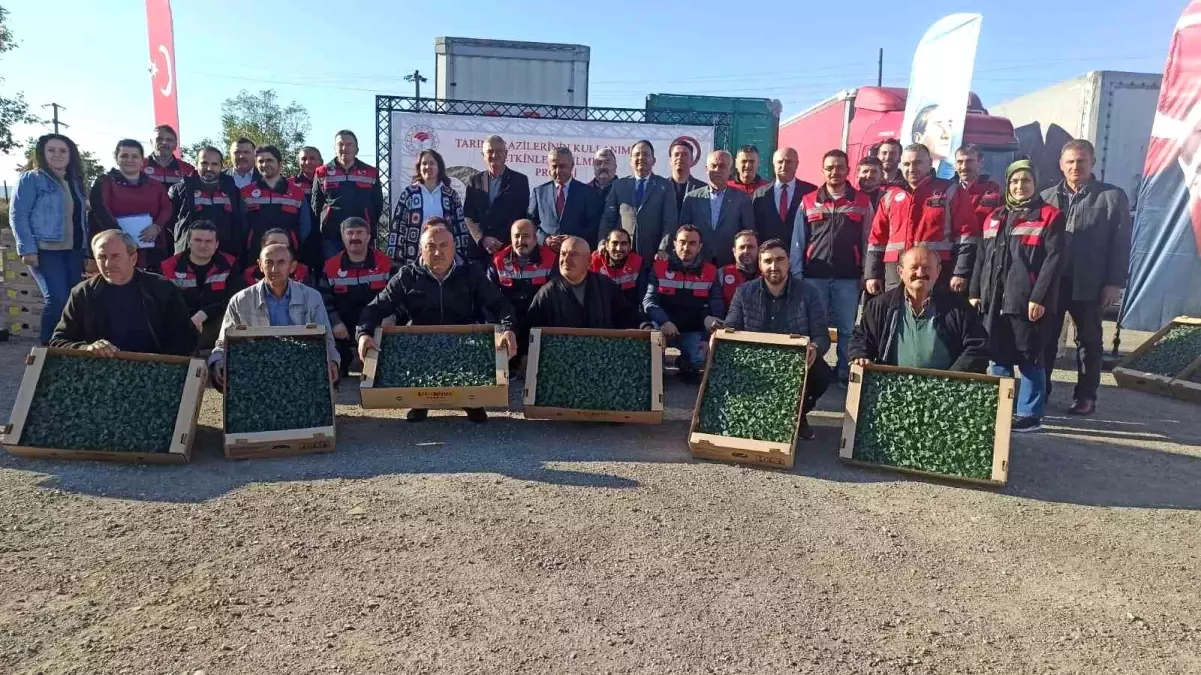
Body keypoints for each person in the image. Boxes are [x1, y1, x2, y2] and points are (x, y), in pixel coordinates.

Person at [356, 224, 518, 424]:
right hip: (420, 341)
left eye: (444, 245)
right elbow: (375, 307)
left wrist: (508, 329)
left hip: (465, 339)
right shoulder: (407, 276)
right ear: (421, 249)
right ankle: (419, 400)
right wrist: (364, 334)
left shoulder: (471, 274)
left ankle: (472, 400)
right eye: (431, 246)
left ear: (454, 247)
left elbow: (500, 304)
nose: (438, 252)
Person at [970, 160, 1066, 433]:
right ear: (1007, 184)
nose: (1020, 186)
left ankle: (1029, 414)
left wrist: (1039, 297)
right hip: (993, 300)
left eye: (1026, 181)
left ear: (1035, 183)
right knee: (997, 355)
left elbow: (1053, 262)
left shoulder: (1050, 216)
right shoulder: (995, 216)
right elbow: (981, 258)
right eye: (1014, 181)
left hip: (1026, 301)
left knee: (1029, 355)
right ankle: (1002, 409)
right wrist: (975, 292)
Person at [1039, 139, 1133, 416]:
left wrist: (1114, 283)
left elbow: (1121, 244)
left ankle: (1085, 396)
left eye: (1081, 161)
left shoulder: (1112, 197)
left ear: (1092, 163)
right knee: (1045, 339)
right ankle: (1039, 393)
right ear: (1061, 165)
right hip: (1053, 283)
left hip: (1090, 283)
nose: (1075, 166)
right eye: (1070, 161)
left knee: (1089, 342)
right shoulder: (1045, 197)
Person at [723, 238, 831, 439]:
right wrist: (720, 336)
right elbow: (731, 325)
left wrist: (815, 348)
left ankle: (799, 414)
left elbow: (821, 335)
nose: (774, 266)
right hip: (754, 360)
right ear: (760, 265)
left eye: (780, 260)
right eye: (768, 261)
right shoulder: (744, 292)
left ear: (789, 262)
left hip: (796, 361)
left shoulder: (809, 293)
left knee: (822, 373)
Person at [209, 242, 339, 391]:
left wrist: (333, 361)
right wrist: (218, 361)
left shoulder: (312, 297)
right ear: (260, 265)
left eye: (281, 262)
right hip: (258, 368)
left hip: (300, 365)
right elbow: (223, 343)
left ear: (292, 266)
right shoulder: (240, 301)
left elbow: (327, 339)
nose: (274, 269)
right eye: (268, 262)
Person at [51, 230, 197, 357]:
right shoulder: (83, 293)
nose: (108, 264)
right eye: (102, 257)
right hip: (98, 369)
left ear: (133, 258)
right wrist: (87, 348)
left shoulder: (162, 289)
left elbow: (186, 339)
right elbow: (58, 341)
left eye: (115, 256)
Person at [849, 246, 989, 373]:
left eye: (926, 267)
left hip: (947, 390)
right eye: (914, 267)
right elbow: (861, 337)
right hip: (891, 386)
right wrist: (859, 356)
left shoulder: (959, 307)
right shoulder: (880, 306)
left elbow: (977, 345)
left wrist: (951, 378)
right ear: (900, 272)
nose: (920, 273)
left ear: (938, 271)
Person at [799, 149, 874, 382]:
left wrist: (866, 272)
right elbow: (798, 240)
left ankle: (843, 373)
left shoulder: (862, 201)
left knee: (847, 329)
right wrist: (796, 272)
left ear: (848, 170)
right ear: (823, 171)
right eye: (830, 167)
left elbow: (869, 240)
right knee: (814, 327)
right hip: (814, 276)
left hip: (848, 277)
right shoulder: (809, 200)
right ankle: (814, 372)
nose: (835, 172)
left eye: (840, 167)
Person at [865, 143, 977, 295]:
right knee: (897, 315)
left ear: (930, 163)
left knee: (934, 315)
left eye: (917, 163)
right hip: (896, 270)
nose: (911, 169)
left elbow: (966, 235)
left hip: (936, 269)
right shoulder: (890, 196)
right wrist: (872, 274)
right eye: (906, 164)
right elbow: (877, 240)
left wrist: (961, 272)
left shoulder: (950, 191)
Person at [11, 134, 89, 345]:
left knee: (74, 300)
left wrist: (87, 251)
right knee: (56, 300)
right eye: (51, 150)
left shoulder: (74, 182)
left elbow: (81, 218)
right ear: (42, 153)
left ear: (71, 155)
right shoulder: (32, 178)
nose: (57, 154)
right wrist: (27, 249)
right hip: (45, 249)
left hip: (74, 250)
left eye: (63, 150)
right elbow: (18, 215)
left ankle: (69, 346)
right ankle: (46, 349)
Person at [643, 224, 723, 383]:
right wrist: (664, 321)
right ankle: (659, 363)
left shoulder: (710, 271)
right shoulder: (659, 267)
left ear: (700, 247)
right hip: (665, 327)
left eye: (692, 243)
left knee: (700, 359)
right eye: (682, 242)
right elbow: (649, 301)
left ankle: (685, 362)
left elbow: (717, 305)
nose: (686, 247)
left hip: (693, 330)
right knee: (649, 350)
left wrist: (708, 337)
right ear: (674, 244)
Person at [319, 217, 395, 377]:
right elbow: (324, 301)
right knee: (336, 370)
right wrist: (335, 323)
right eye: (350, 233)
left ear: (368, 236)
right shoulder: (331, 267)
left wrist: (390, 317)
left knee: (383, 372)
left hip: (377, 330)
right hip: (343, 332)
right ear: (342, 237)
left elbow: (397, 297)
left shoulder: (386, 264)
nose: (354, 237)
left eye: (359, 232)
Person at [88, 138, 174, 272]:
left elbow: (167, 207)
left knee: (152, 286)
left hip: (152, 247)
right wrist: (120, 236)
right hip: (117, 248)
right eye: (124, 155)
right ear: (116, 158)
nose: (129, 160)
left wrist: (157, 226)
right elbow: (101, 210)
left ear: (141, 160)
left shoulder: (155, 185)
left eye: (135, 156)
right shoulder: (105, 183)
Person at [527, 236, 642, 330]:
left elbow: (627, 314)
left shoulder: (605, 286)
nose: (565, 260)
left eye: (573, 254)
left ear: (588, 261)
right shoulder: (548, 292)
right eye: (563, 254)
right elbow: (530, 328)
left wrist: (644, 326)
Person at [487, 219, 556, 371]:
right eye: (516, 236)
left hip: (538, 321)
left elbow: (553, 300)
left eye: (525, 236)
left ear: (535, 238)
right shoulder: (498, 260)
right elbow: (488, 297)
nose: (520, 241)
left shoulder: (550, 259)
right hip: (508, 320)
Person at [160, 221, 241, 351]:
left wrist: (204, 313)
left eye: (209, 241)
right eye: (198, 240)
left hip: (217, 321)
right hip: (181, 322)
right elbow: (165, 302)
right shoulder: (169, 266)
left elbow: (233, 300)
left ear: (217, 244)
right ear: (189, 242)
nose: (203, 245)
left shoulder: (230, 264)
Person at [599, 140, 678, 267]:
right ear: (630, 161)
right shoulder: (619, 185)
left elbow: (670, 221)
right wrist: (603, 242)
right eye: (637, 155)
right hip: (622, 254)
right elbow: (608, 218)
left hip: (652, 255)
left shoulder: (665, 186)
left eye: (646, 154)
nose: (641, 158)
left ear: (653, 160)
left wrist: (663, 248)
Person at [387, 149, 470, 264]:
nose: (428, 167)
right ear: (419, 167)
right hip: (414, 256)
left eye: (432, 163)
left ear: (439, 167)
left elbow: (460, 228)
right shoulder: (409, 193)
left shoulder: (450, 195)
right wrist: (395, 259)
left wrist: (460, 255)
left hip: (443, 256)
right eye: (424, 163)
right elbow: (398, 227)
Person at [312, 130, 384, 258]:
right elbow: (316, 205)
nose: (344, 148)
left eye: (349, 144)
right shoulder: (322, 172)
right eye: (340, 144)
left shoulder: (370, 172)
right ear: (334, 148)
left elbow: (377, 203)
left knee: (363, 272)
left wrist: (368, 223)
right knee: (332, 272)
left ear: (357, 149)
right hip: (332, 236)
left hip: (362, 234)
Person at [677, 150, 754, 267]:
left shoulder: (742, 198)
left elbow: (748, 231)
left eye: (722, 166)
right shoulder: (691, 197)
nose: (717, 170)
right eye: (713, 166)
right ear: (706, 169)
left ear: (731, 170)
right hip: (698, 262)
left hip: (730, 261)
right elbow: (683, 230)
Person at [241, 145, 312, 268]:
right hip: (256, 252)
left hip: (288, 252)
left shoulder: (296, 192)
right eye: (260, 161)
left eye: (269, 160)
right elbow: (242, 224)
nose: (265, 164)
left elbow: (305, 225)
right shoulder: (246, 192)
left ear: (280, 163)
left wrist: (294, 240)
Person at [168, 146, 244, 258]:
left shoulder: (233, 192)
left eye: (214, 164)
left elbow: (238, 223)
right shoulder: (179, 190)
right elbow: (170, 223)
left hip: (224, 257)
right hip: (188, 257)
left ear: (221, 166)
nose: (209, 168)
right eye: (204, 163)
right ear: (196, 164)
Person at [465, 135, 531, 263]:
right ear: (483, 154)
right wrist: (483, 238)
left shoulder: (520, 181)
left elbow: (520, 214)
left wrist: (499, 240)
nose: (494, 155)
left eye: (499, 151)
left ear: (506, 154)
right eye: (490, 151)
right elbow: (469, 215)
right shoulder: (474, 181)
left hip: (507, 248)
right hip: (478, 251)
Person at [752, 147, 816, 259]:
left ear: (797, 164)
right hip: (770, 260)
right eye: (780, 162)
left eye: (789, 161)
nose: (784, 165)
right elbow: (756, 227)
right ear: (773, 164)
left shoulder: (811, 192)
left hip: (802, 258)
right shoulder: (760, 194)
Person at [528, 147, 597, 249]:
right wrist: (544, 239)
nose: (558, 171)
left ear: (572, 165)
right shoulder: (539, 192)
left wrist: (573, 239)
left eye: (562, 166)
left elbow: (593, 225)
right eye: (554, 166)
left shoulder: (587, 192)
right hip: (545, 254)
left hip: (575, 252)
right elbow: (530, 223)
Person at [952, 144, 1004, 236]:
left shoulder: (993, 190)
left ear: (981, 163)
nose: (964, 167)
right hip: (952, 247)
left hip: (981, 247)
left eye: (969, 161)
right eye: (960, 162)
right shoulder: (947, 190)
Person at [590, 227, 645, 308]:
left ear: (629, 247)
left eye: (623, 243)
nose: (619, 248)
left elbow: (641, 295)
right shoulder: (594, 261)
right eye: (614, 243)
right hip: (601, 309)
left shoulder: (637, 262)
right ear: (607, 245)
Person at [242, 229, 312, 286]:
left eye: (283, 244)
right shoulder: (250, 275)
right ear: (263, 248)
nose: (278, 247)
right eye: (273, 243)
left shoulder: (301, 273)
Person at [718, 229, 760, 306]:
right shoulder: (721, 274)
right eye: (742, 247)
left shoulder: (767, 275)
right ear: (734, 252)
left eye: (751, 247)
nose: (746, 251)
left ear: (758, 250)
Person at [667, 139, 705, 212]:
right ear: (671, 161)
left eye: (684, 154)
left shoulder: (703, 189)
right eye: (676, 154)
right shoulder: (661, 188)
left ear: (692, 160)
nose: (680, 158)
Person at [589, 148, 619, 225]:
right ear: (594, 167)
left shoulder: (624, 191)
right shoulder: (584, 191)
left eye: (607, 162)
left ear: (615, 166)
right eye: (598, 163)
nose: (603, 167)